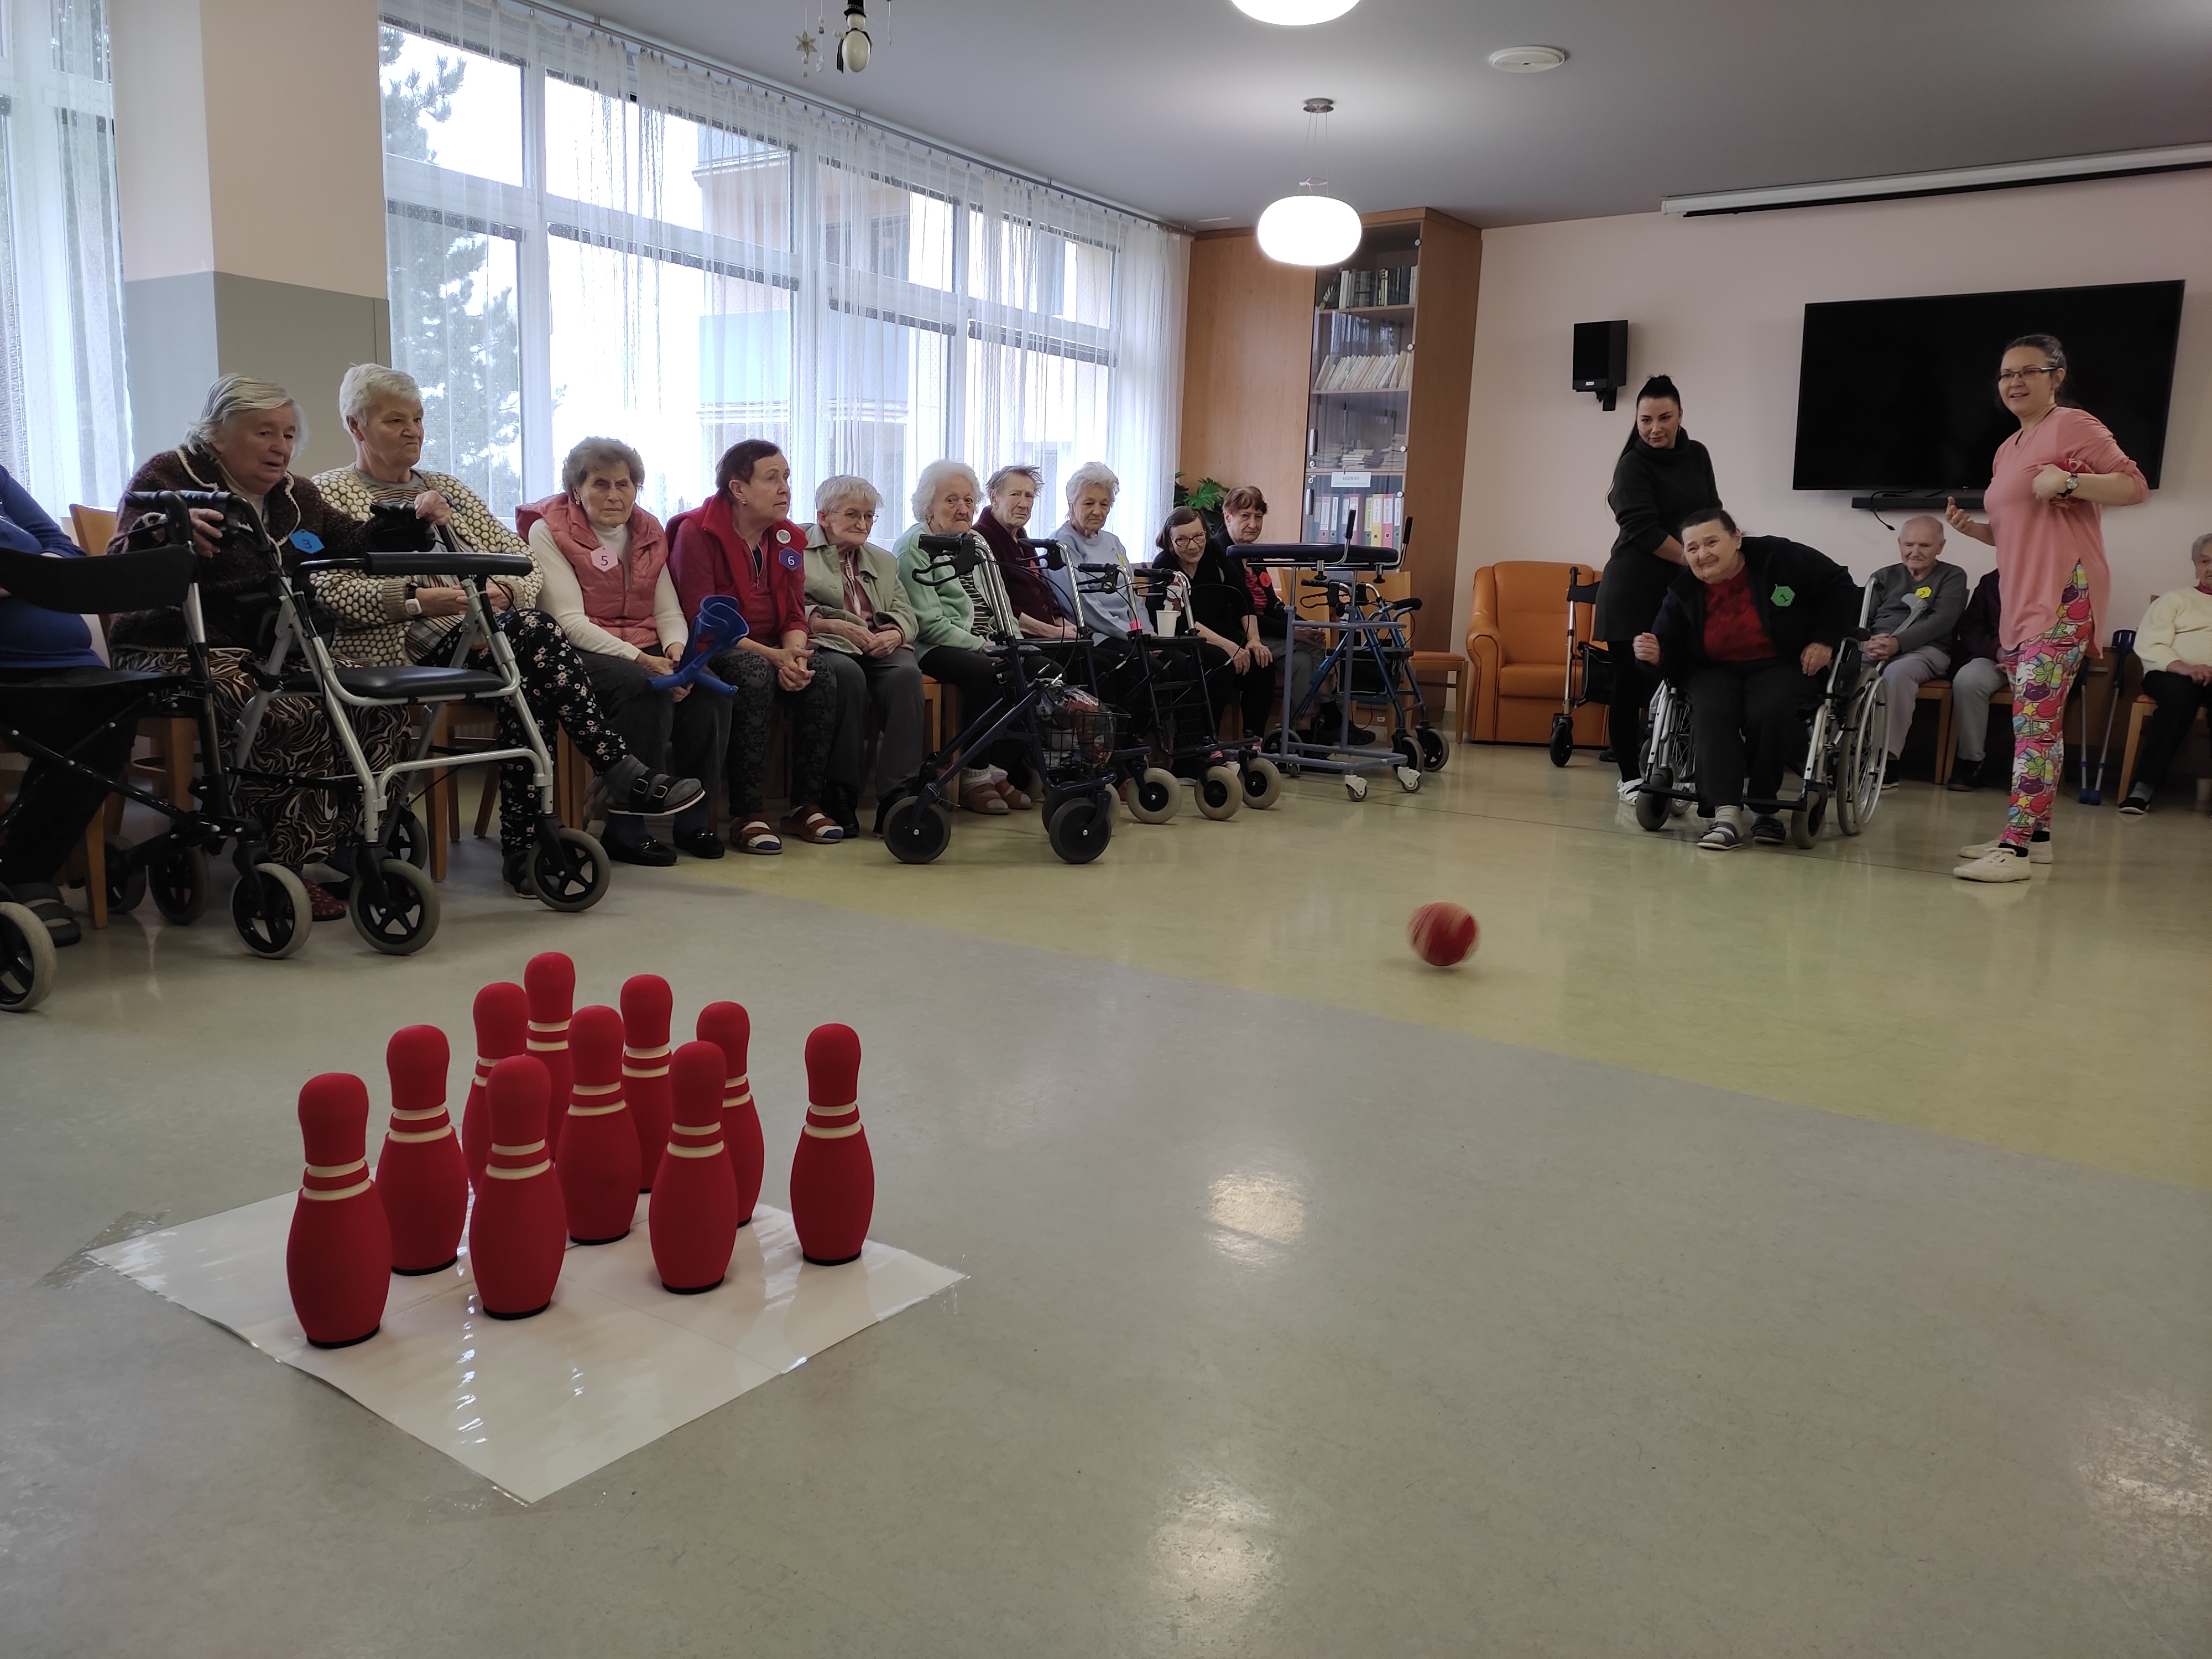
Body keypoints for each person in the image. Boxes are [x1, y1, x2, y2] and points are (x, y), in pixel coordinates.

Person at [309, 365, 701, 892]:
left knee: (531, 683)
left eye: (419, 419)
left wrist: (505, 592)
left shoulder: (448, 489)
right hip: (400, 645)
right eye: (395, 421)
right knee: (535, 638)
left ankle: (528, 850)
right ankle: (603, 781)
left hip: (483, 635)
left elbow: (522, 564)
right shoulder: (330, 493)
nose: (413, 432)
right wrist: (421, 600)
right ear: (356, 426)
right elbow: (328, 590)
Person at [108, 374, 420, 918]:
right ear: (216, 433)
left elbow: (354, 539)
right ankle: (284, 866)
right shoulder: (171, 475)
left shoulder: (296, 495)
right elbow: (119, 560)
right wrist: (164, 532)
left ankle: (353, 842)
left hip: (270, 647)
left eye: (289, 434)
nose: (281, 447)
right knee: (286, 709)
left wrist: (408, 521)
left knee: (374, 702)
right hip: (172, 645)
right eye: (265, 432)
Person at [1944, 333, 2147, 880]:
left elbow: (2134, 486)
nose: (2013, 382)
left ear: (2056, 376)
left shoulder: (2073, 425)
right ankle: (2037, 837)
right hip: (2020, 596)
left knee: (2034, 724)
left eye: (2027, 372)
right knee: (2040, 725)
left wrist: (2072, 480)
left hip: (2064, 592)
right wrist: (1975, 530)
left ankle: (2013, 850)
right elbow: (2018, 532)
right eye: (2006, 374)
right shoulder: (2007, 448)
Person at [523, 437, 719, 867]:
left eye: (624, 484)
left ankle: (693, 816)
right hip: (577, 650)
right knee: (642, 685)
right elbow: (568, 622)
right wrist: (647, 661)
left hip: (643, 643)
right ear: (576, 490)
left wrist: (677, 655)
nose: (614, 495)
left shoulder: (648, 531)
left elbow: (667, 610)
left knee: (704, 686)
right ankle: (627, 826)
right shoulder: (548, 530)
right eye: (600, 484)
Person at [1633, 509, 1858, 851]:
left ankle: (1764, 806)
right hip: (1711, 668)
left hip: (1782, 662)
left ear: (1737, 538)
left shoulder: (1779, 558)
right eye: (1692, 548)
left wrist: (1824, 639)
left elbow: (1840, 585)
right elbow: (1669, 648)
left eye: (1712, 542)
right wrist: (1655, 655)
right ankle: (1725, 815)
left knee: (1771, 708)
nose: (1702, 554)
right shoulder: (1683, 592)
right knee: (1712, 708)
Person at [668, 440, 843, 854]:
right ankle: (747, 813)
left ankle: (805, 805)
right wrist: (774, 657)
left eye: (787, 477)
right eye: (771, 478)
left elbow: (795, 614)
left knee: (820, 673)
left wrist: (794, 655)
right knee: (754, 673)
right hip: (713, 647)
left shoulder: (788, 537)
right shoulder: (697, 531)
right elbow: (704, 620)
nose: (785, 488)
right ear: (739, 489)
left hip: (771, 646)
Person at [0, 465, 136, 946]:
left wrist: (19, 577)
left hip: (73, 664)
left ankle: (22, 869)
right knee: (74, 731)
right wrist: (37, 572)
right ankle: (28, 875)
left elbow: (68, 552)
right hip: (9, 670)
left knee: (115, 711)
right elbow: (49, 563)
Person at [1599, 375, 1720, 801]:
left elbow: (1711, 512)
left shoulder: (1698, 455)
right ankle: (1630, 777)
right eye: (1646, 420)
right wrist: (1694, 558)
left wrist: (1718, 550)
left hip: (1683, 589)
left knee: (1682, 681)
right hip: (1632, 590)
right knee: (1630, 685)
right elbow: (1642, 529)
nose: (1655, 428)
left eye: (1664, 418)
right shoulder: (1632, 464)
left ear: (1680, 415)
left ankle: (1678, 769)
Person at [894, 459, 1029, 814]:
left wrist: (1014, 641)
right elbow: (928, 623)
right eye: (951, 500)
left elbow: (1001, 601)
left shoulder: (976, 542)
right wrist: (982, 646)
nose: (963, 508)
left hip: (986, 640)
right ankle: (973, 774)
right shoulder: (914, 546)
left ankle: (996, 770)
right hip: (934, 646)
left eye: (969, 500)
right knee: (986, 671)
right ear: (929, 505)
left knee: (1041, 668)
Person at [801, 474, 925, 837]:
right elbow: (791, 607)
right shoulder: (797, 551)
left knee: (906, 675)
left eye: (869, 516)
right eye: (853, 514)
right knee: (846, 676)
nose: (863, 524)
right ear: (824, 517)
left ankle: (897, 796)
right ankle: (841, 792)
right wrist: (832, 625)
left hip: (877, 644)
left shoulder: (883, 561)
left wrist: (895, 634)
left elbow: (906, 612)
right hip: (827, 643)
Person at [1859, 515, 1968, 788]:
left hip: (1926, 650)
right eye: (1909, 545)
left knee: (1898, 672)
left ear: (1940, 547)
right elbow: (1862, 620)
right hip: (1877, 647)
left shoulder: (1952, 576)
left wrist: (1899, 644)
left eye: (1925, 545)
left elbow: (1942, 621)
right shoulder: (1882, 577)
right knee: (1844, 668)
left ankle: (1886, 760)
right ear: (1900, 544)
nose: (1915, 552)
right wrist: (1867, 643)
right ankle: (1840, 751)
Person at [2116, 533, 2212, 816]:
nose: (2211, 568)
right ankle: (2143, 788)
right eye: (2205, 561)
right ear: (2195, 566)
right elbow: (2150, 644)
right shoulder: (2175, 599)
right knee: (2179, 698)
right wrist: (2186, 667)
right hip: (2172, 673)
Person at [1216, 484, 1321, 740]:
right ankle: (1318, 720)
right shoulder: (1220, 553)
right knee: (1314, 647)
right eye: (1245, 516)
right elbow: (1238, 612)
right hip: (1238, 634)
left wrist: (1303, 624)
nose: (1253, 524)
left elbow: (1272, 604)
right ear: (1228, 516)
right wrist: (1294, 632)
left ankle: (1296, 731)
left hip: (1265, 632)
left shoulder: (1254, 554)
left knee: (1303, 660)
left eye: (1258, 517)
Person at [1148, 505, 1255, 755]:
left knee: (1261, 660)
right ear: (1170, 542)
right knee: (1220, 662)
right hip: (1181, 635)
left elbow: (1241, 596)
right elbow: (1182, 620)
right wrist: (1229, 646)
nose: (1194, 545)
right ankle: (1206, 739)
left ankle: (1254, 739)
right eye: (1183, 540)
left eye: (1199, 537)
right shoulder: (1164, 566)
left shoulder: (1214, 551)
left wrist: (1254, 641)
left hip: (1218, 631)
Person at [975, 466, 1078, 640]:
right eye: (1015, 494)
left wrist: (1063, 623)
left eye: (1029, 496)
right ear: (994, 498)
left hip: (1047, 634)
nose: (1023, 504)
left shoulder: (1021, 536)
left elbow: (1042, 591)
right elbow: (998, 606)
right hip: (1017, 639)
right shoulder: (982, 539)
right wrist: (1054, 632)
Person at [1944, 570, 2006, 791]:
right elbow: (1971, 629)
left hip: (2045, 660)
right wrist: (1997, 651)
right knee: (1968, 680)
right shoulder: (1992, 581)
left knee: (2039, 687)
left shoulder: (2061, 579)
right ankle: (1972, 761)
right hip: (1995, 656)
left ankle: (2032, 769)